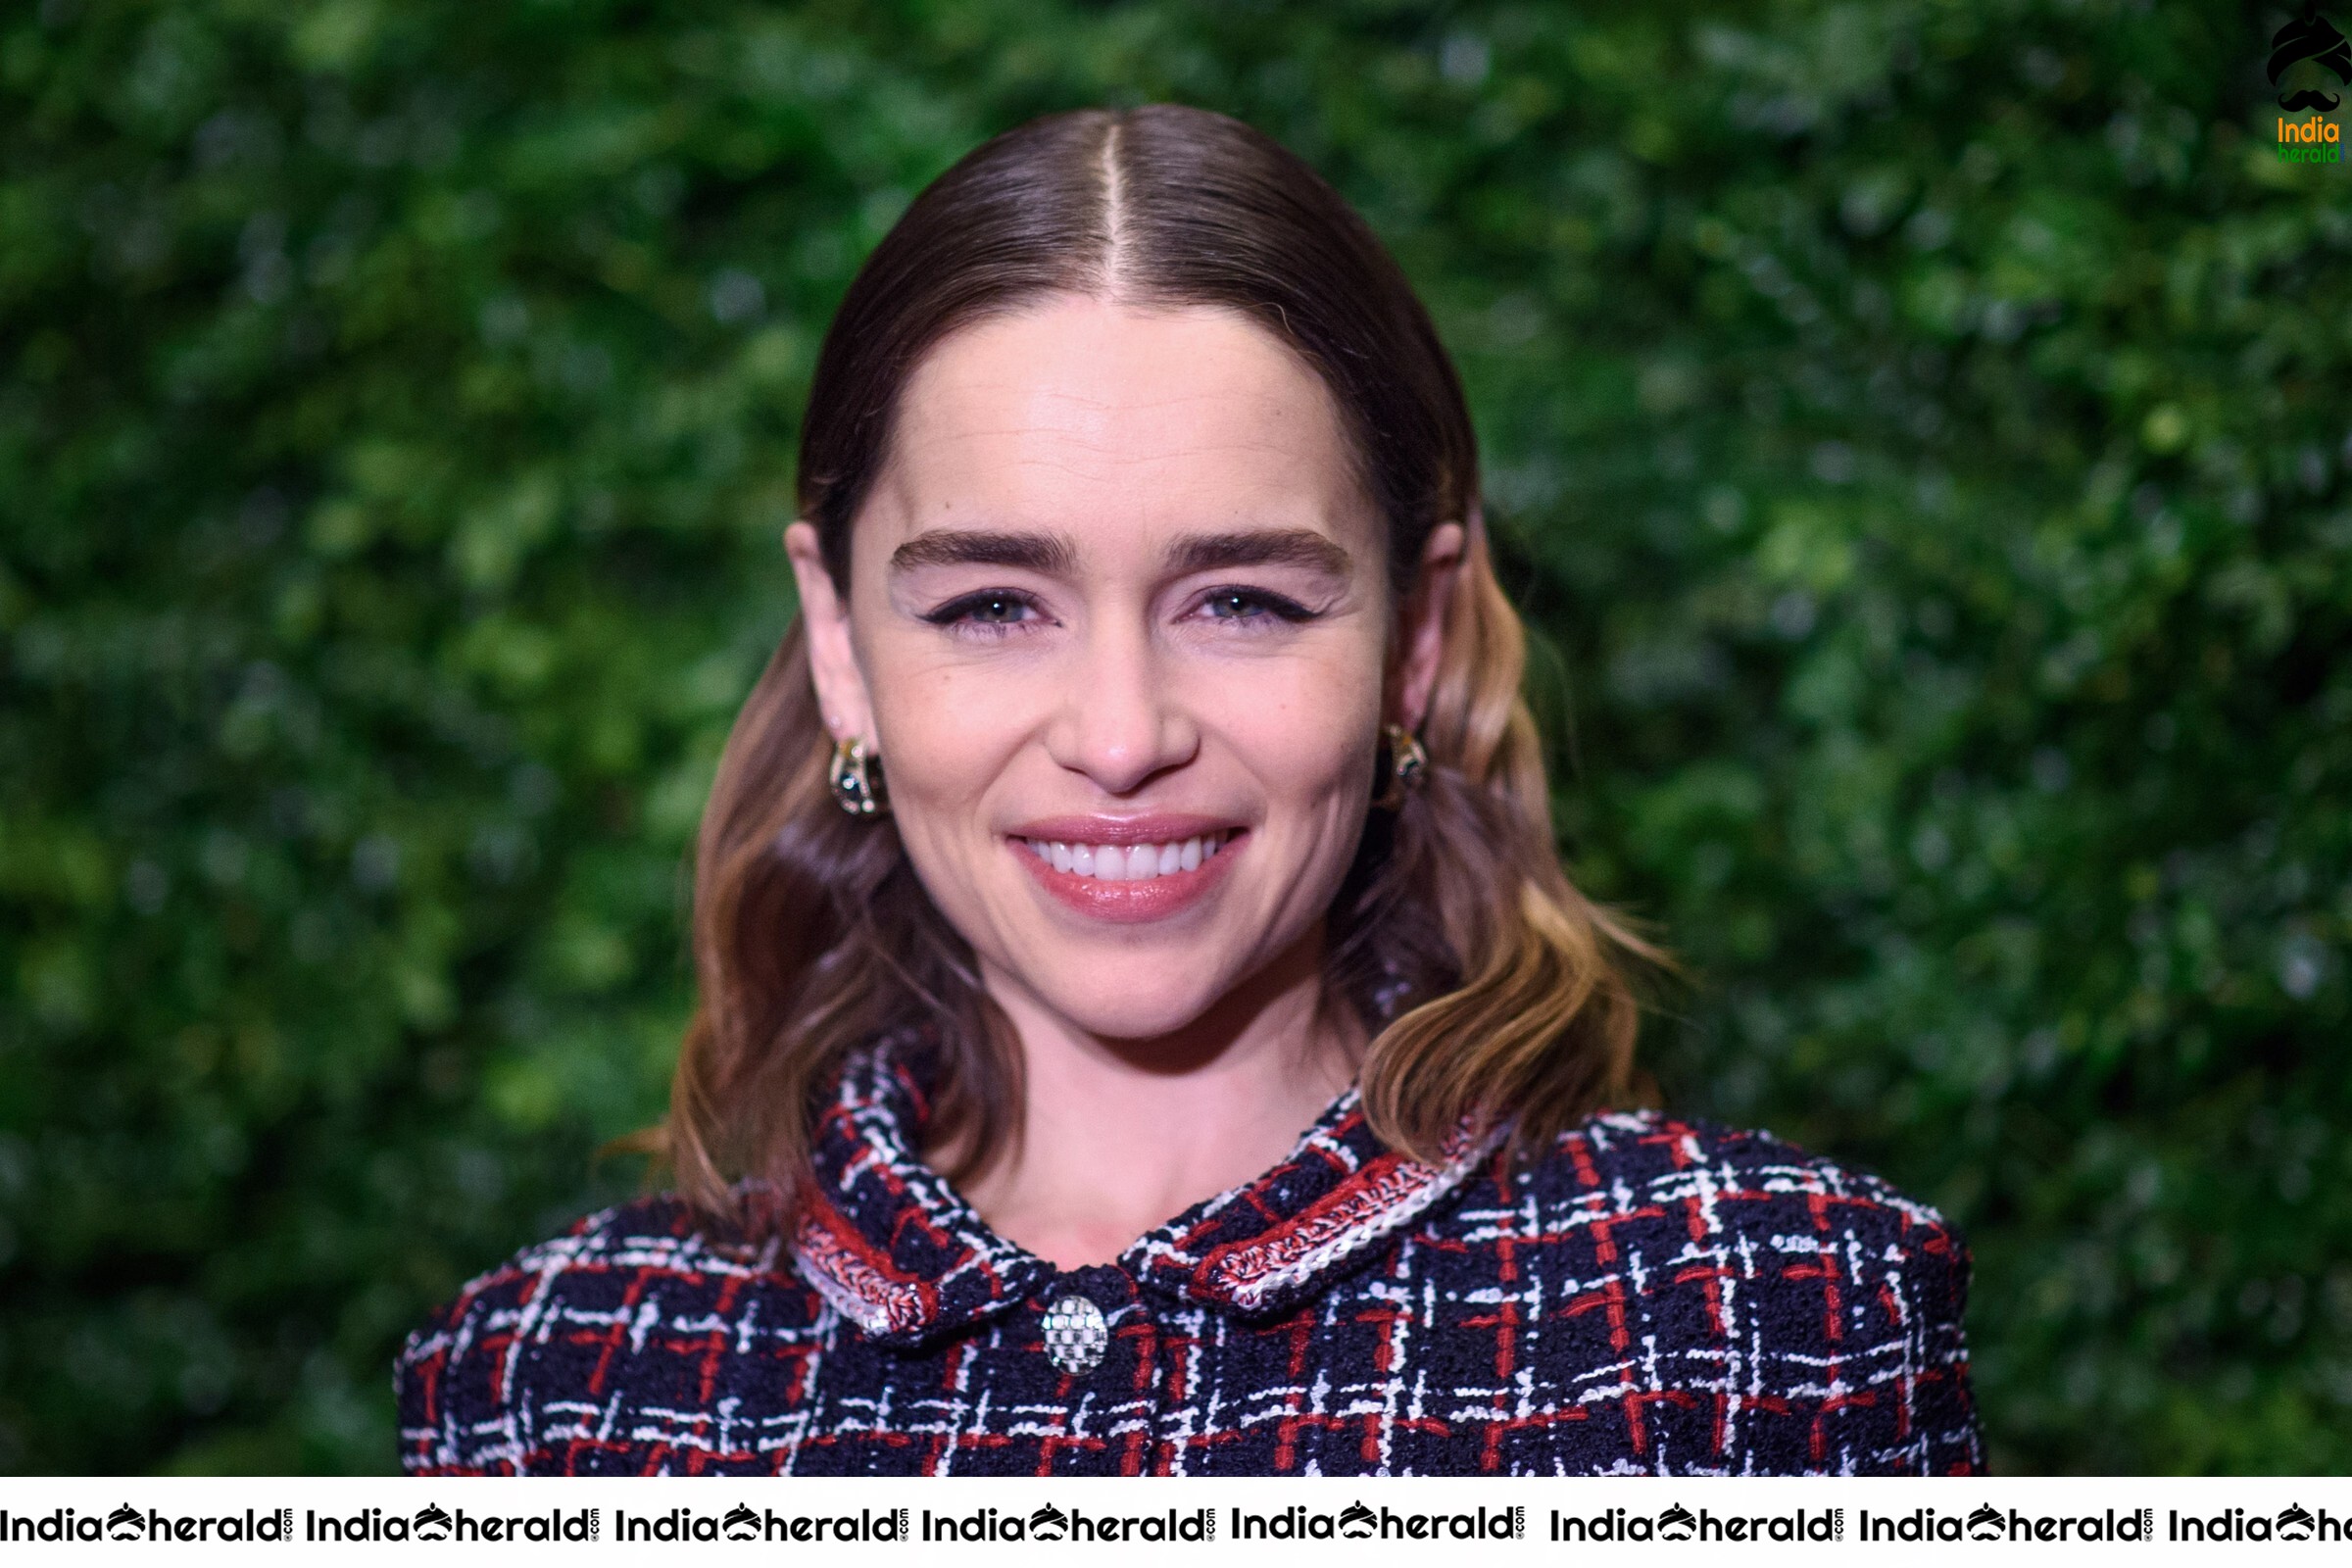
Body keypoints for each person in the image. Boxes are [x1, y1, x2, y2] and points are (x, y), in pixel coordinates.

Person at [396, 104, 1981, 1476]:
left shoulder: (1765, 1326)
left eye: (1243, 601)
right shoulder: (551, 1391)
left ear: (1412, 643)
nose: (1120, 733)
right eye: (993, 607)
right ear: (839, 641)